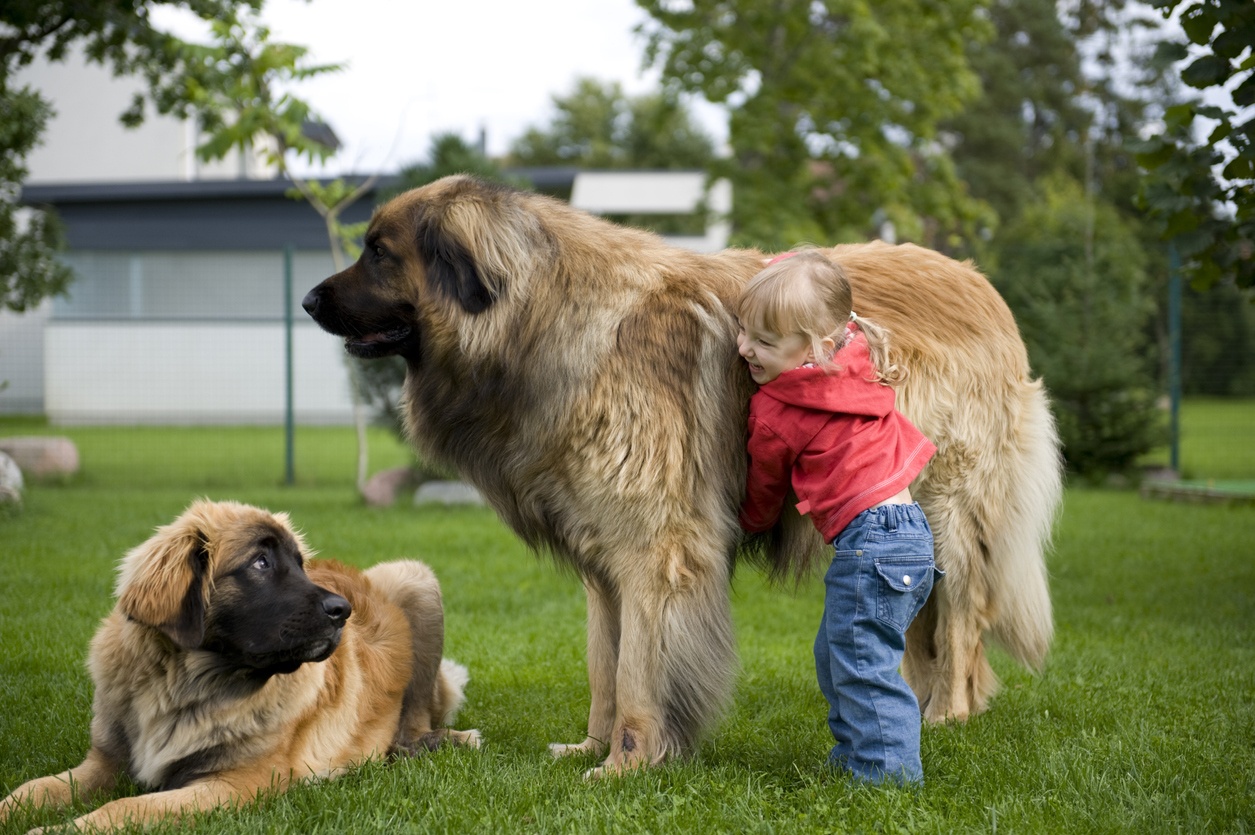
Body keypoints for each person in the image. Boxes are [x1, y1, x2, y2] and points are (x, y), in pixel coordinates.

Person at [736, 250, 940, 785]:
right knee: (838, 653)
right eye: (743, 330)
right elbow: (832, 307)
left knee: (862, 665)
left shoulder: (776, 409)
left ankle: (887, 776)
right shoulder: (853, 354)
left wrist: (749, 523)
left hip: (871, 546)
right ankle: (858, 753)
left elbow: (765, 486)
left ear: (814, 347)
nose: (744, 349)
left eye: (763, 342)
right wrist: (784, 269)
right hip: (908, 536)